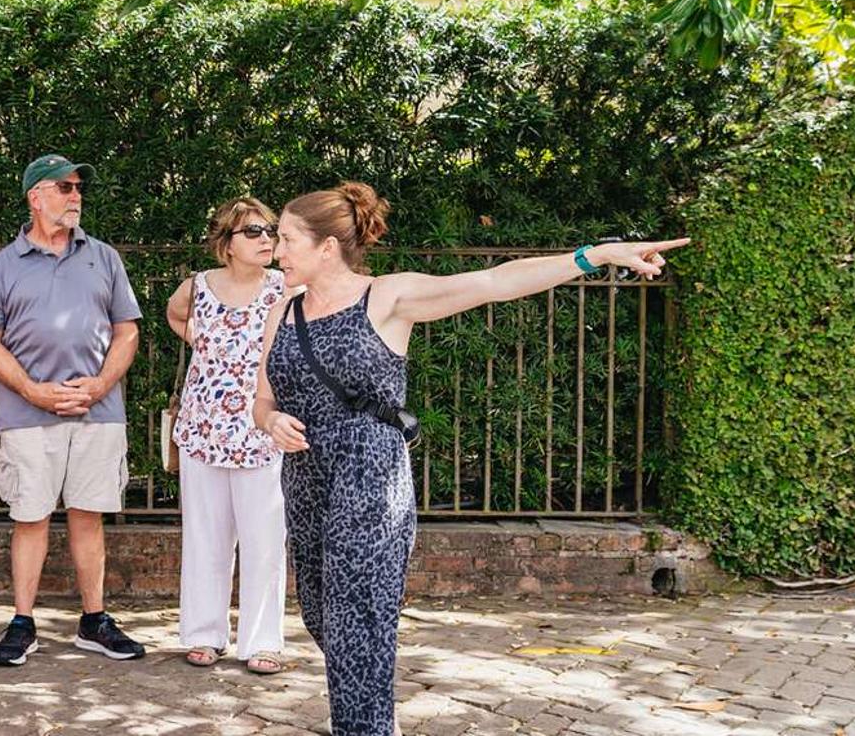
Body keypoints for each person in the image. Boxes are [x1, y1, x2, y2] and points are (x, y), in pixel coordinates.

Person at [253, 182, 687, 736]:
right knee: (321, 614)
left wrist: (595, 255)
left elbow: (494, 282)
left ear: (327, 247)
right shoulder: (282, 311)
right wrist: (269, 421)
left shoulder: (387, 297)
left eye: (286, 239)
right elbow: (262, 397)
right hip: (307, 476)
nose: (276, 250)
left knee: (357, 618)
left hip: (369, 470)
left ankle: (365, 729)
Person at [0, 154, 146, 668]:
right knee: (30, 516)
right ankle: (23, 623)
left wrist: (99, 385)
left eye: (78, 188)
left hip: (98, 411)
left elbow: (127, 330)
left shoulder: (104, 257)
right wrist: (32, 390)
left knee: (89, 515)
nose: (75, 196)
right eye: (64, 187)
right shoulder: (5, 263)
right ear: (35, 197)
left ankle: (94, 621)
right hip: (29, 414)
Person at [163, 197, 290, 674]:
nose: (266, 240)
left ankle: (262, 641)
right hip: (202, 428)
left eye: (271, 231)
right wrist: (196, 336)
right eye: (254, 232)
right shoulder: (197, 287)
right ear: (227, 243)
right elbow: (174, 315)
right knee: (205, 536)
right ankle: (202, 634)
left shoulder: (284, 287)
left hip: (260, 430)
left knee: (264, 539)